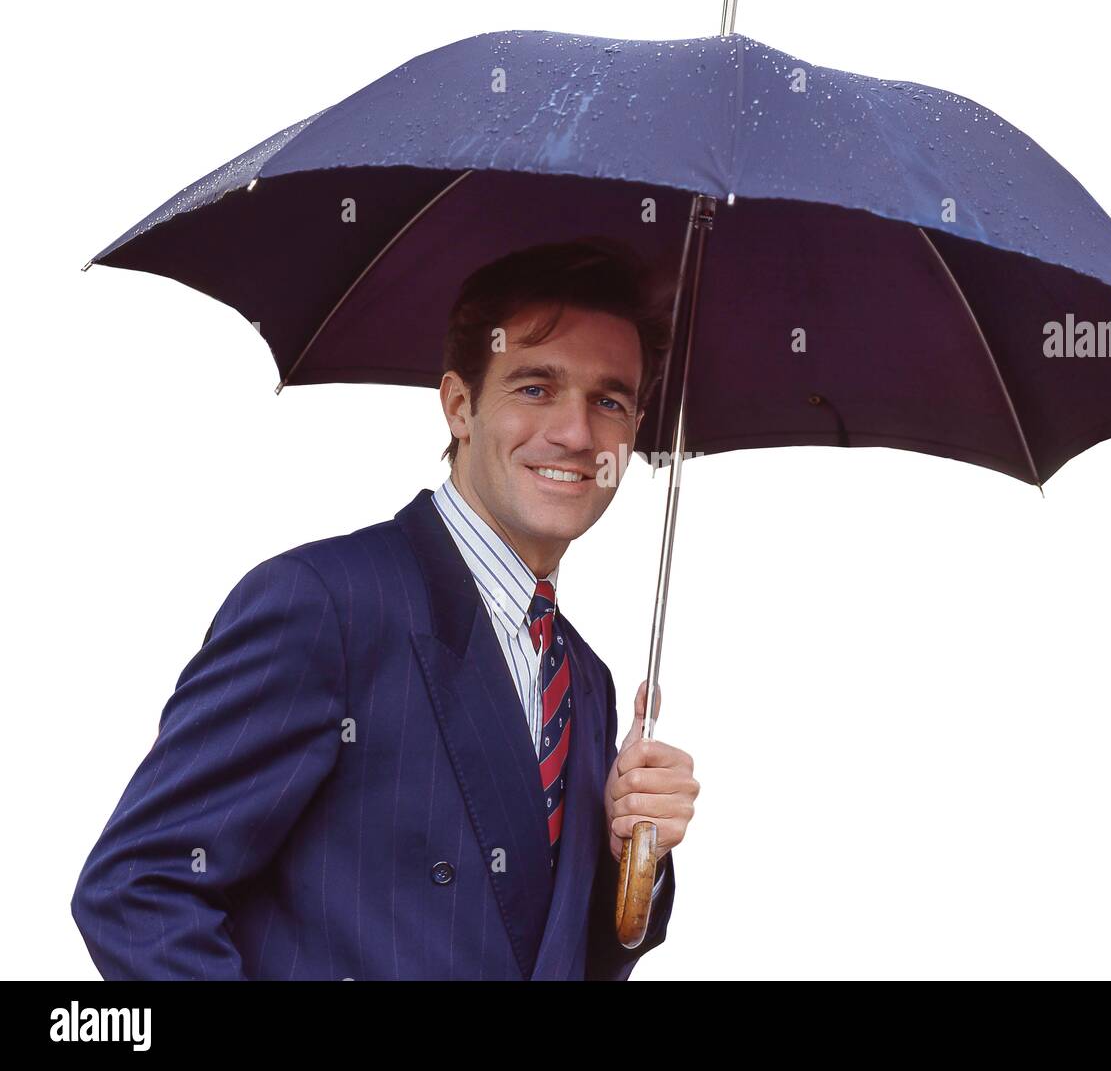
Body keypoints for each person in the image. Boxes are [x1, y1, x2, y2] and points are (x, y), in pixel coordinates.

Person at [70, 236, 699, 980]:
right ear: (460, 406)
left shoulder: (587, 682)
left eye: (610, 401)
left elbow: (548, 951)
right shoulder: (325, 606)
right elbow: (138, 891)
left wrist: (635, 859)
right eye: (535, 387)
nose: (575, 432)